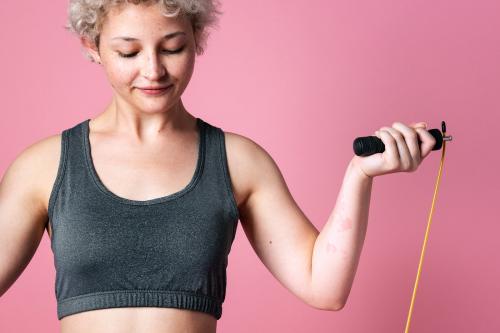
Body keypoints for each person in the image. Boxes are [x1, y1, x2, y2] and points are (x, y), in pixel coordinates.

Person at [0, 0, 437, 332]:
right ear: (92, 47)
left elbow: (323, 287)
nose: (153, 70)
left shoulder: (239, 161)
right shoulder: (44, 166)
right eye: (128, 52)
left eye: (173, 47)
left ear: (197, 38)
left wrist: (359, 175)